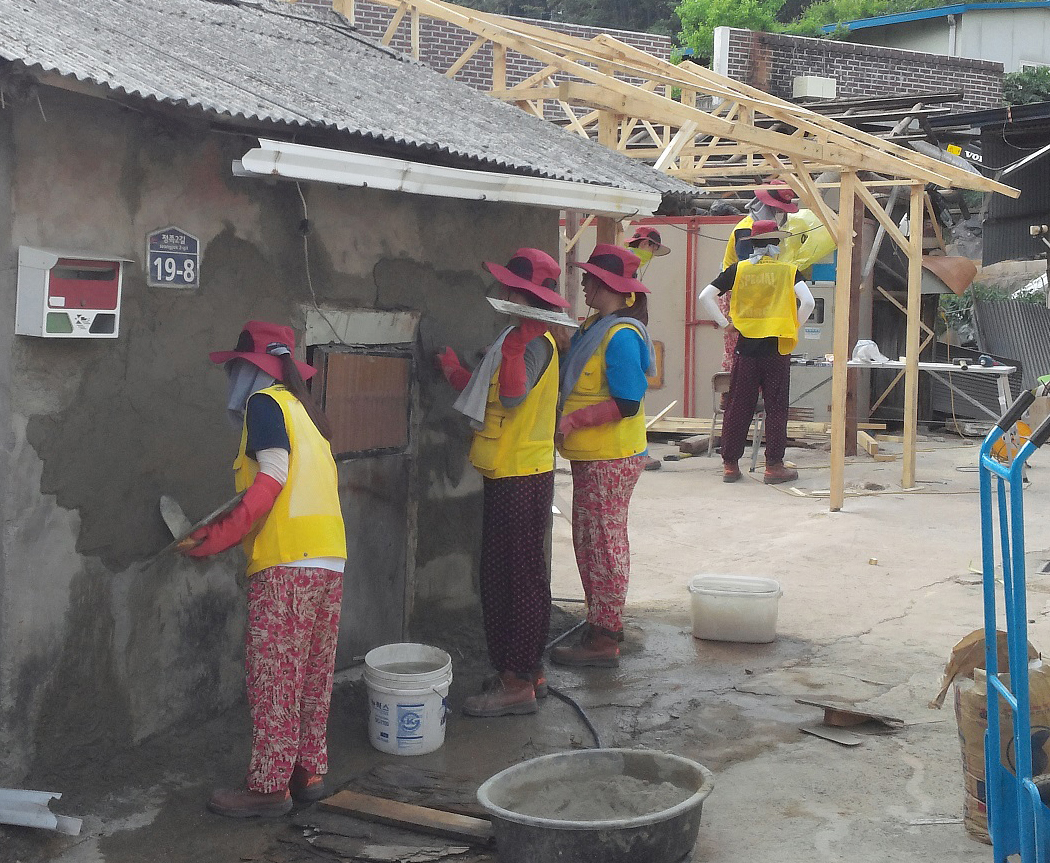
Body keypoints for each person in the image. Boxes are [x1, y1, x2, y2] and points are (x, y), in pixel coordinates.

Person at [180, 321, 347, 818]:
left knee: (274, 674)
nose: (233, 378)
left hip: (288, 559)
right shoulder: (305, 411)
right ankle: (308, 772)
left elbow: (272, 475)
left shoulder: (266, 404)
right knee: (313, 673)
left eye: (236, 367)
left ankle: (269, 787)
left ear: (250, 368)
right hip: (329, 556)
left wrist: (220, 535)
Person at [435, 249, 567, 717]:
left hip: (521, 475)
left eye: (508, 287)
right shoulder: (520, 337)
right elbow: (487, 392)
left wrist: (513, 349)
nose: (501, 293)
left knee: (514, 580)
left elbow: (512, 396)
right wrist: (453, 370)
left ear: (521, 294)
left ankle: (517, 682)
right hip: (511, 471)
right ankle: (525, 671)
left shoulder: (531, 343)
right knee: (513, 576)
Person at [550, 244, 655, 669]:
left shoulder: (621, 335)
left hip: (610, 457)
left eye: (591, 278)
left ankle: (605, 636)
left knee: (604, 543)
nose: (585, 284)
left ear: (609, 285)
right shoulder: (597, 325)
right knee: (590, 539)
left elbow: (628, 401)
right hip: (595, 456)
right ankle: (602, 623)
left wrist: (574, 421)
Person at [698, 221, 815, 485]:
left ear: (753, 244)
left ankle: (730, 465)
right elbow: (808, 302)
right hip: (776, 347)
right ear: (776, 244)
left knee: (739, 405)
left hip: (746, 346)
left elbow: (705, 296)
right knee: (776, 408)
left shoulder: (738, 270)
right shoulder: (788, 271)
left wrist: (724, 323)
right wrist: (793, 325)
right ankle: (773, 466)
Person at [718, 180, 800, 390]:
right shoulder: (747, 231)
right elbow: (752, 273)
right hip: (739, 294)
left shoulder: (759, 227)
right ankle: (735, 398)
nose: (782, 216)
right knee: (742, 357)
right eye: (780, 210)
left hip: (755, 293)